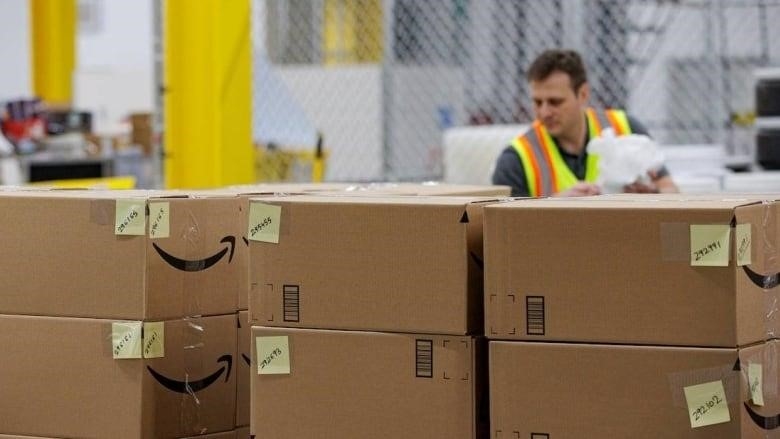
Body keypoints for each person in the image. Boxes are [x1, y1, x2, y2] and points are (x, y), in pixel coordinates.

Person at [492, 49, 678, 197]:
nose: (544, 112)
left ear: (583, 94)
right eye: (537, 102)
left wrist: (653, 194)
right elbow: (506, 228)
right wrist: (554, 207)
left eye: (555, 102)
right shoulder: (517, 158)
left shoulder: (625, 129)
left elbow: (673, 192)